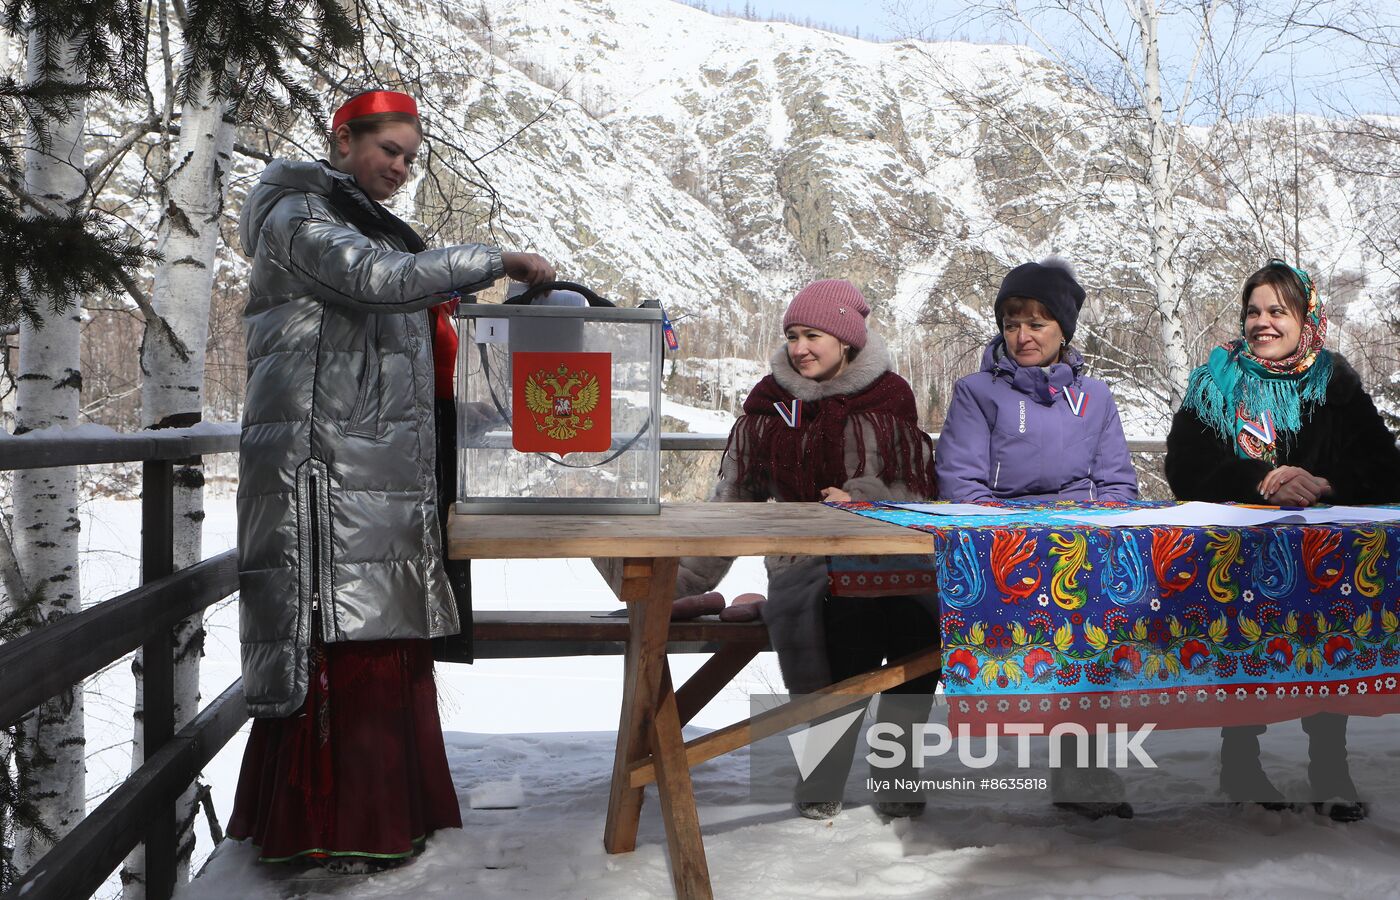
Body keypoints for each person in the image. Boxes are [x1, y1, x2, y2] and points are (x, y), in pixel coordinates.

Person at [228, 88, 555, 871]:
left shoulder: (357, 223)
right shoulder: (301, 216)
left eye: (411, 157)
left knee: (375, 625)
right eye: (389, 152)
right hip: (326, 469)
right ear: (343, 142)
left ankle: (380, 815)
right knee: (341, 632)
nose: (402, 169)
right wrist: (495, 260)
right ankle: (336, 825)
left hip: (364, 465)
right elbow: (375, 279)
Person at [672, 279, 940, 820]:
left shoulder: (890, 399)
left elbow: (922, 489)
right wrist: (684, 580)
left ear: (847, 341)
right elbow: (734, 497)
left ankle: (897, 769)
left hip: (893, 556)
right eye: (793, 335)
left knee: (916, 632)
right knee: (841, 629)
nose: (800, 348)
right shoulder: (769, 406)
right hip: (806, 558)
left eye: (812, 334)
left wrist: (864, 496)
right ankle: (823, 772)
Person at [1165, 259, 1400, 823]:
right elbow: (1186, 467)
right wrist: (1262, 480)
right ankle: (1240, 764)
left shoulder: (1334, 382)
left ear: (1304, 317)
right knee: (1244, 646)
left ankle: (1330, 767)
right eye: (1253, 311)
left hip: (1323, 557)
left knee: (1326, 646)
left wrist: (1326, 484)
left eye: (1278, 310)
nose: (1262, 322)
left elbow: (1385, 470)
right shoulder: (1215, 380)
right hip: (1239, 554)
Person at [935, 257, 1138, 819]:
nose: (1022, 335)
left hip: (1080, 541)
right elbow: (962, 481)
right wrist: (1014, 534)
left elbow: (1118, 483)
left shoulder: (1095, 397)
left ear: (1063, 330)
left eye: (1037, 322)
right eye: (1012, 321)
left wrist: (1092, 532)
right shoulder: (977, 392)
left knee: (1094, 648)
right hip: (1006, 542)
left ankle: (1086, 776)